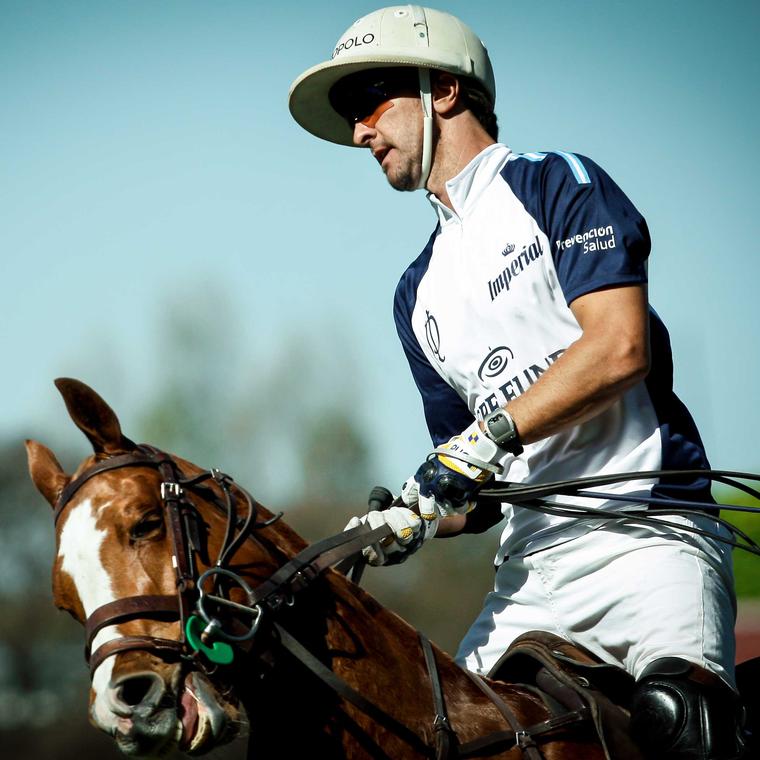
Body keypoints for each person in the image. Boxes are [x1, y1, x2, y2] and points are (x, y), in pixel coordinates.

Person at [289, 6, 743, 757]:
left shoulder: (556, 183)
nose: (360, 133)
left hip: (652, 536)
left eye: (369, 101)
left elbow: (620, 347)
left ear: (444, 90)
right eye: (350, 117)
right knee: (436, 741)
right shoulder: (416, 294)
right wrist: (413, 515)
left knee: (683, 728)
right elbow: (477, 494)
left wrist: (488, 437)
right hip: (532, 571)